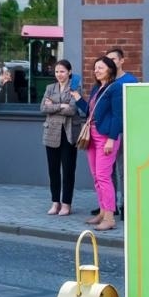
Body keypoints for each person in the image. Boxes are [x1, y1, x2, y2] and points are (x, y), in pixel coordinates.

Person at [40, 59, 85, 216]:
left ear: (69, 72)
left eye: (62, 71)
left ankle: (66, 204)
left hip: (68, 133)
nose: (59, 74)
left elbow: (72, 109)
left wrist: (53, 105)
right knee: (53, 170)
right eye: (57, 71)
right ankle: (55, 202)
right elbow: (43, 107)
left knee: (68, 170)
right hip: (51, 132)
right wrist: (61, 105)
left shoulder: (75, 87)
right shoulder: (50, 87)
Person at [85, 56, 123, 231]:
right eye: (95, 68)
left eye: (100, 68)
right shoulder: (96, 88)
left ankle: (109, 218)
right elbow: (90, 112)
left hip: (106, 137)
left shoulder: (115, 88)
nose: (97, 71)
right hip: (92, 136)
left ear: (110, 69)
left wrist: (112, 138)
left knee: (103, 176)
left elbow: (118, 116)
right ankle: (101, 211)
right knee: (96, 177)